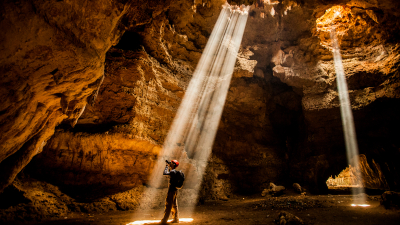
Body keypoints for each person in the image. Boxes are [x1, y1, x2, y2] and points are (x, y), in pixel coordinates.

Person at [161, 160, 180, 224]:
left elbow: (165, 172)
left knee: (168, 205)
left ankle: (164, 220)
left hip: (171, 190)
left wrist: (166, 166)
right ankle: (176, 219)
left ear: (174, 165)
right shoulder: (175, 172)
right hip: (174, 190)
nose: (170, 164)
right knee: (174, 205)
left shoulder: (172, 171)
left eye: (172, 163)